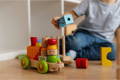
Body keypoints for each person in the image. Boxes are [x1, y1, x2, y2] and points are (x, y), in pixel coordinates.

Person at [51, 0, 120, 60]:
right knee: (74, 43)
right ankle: (55, 44)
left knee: (112, 53)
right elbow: (74, 14)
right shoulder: (89, 2)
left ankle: (75, 55)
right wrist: (61, 21)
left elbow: (118, 30)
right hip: (85, 34)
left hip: (105, 40)